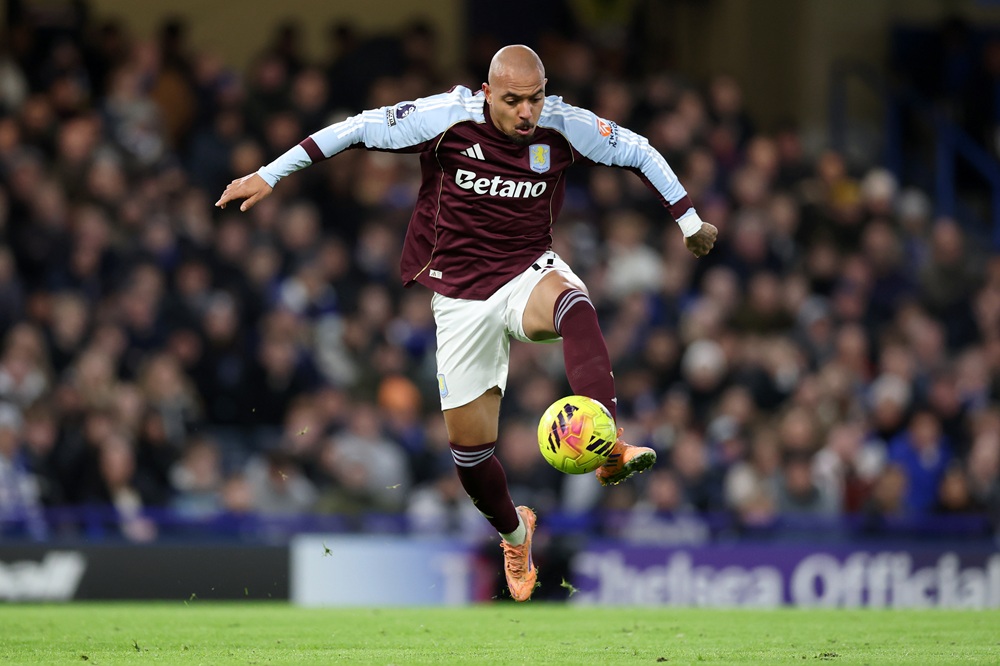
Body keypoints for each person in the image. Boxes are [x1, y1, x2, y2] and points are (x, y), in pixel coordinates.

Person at [216, 45, 718, 601]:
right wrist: (269, 174)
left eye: (535, 99)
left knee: (576, 306)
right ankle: (515, 533)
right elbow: (354, 130)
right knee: (471, 458)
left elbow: (640, 151)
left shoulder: (564, 125)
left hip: (526, 269)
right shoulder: (446, 118)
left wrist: (689, 220)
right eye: (512, 101)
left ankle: (609, 446)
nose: (527, 113)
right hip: (458, 299)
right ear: (486, 93)